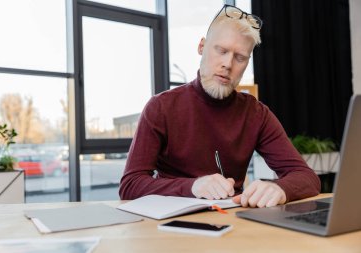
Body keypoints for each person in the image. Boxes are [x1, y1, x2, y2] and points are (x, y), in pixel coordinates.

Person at [119, 5, 320, 208]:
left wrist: (280, 188)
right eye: (221, 50)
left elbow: (307, 178)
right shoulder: (160, 107)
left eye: (240, 57)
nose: (228, 64)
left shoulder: (256, 114)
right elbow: (130, 185)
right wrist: (193, 187)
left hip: (234, 221)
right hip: (170, 226)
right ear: (201, 47)